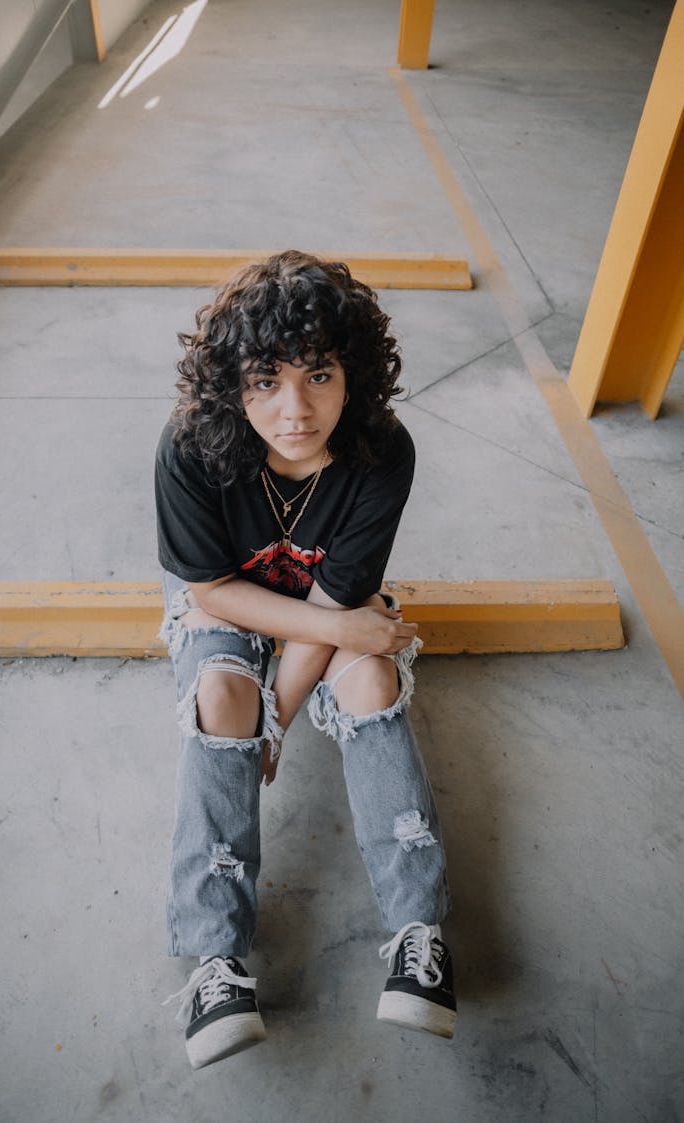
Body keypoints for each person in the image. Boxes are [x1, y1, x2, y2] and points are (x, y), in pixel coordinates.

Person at [155, 250, 455, 1070]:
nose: (295, 409)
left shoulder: (381, 452)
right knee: (223, 696)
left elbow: (331, 610)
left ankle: (417, 932)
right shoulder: (191, 446)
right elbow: (212, 590)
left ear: (352, 374)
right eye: (266, 380)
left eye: (319, 375)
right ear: (233, 385)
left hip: (322, 607)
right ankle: (216, 958)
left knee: (373, 677)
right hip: (231, 599)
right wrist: (262, 712)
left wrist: (280, 718)